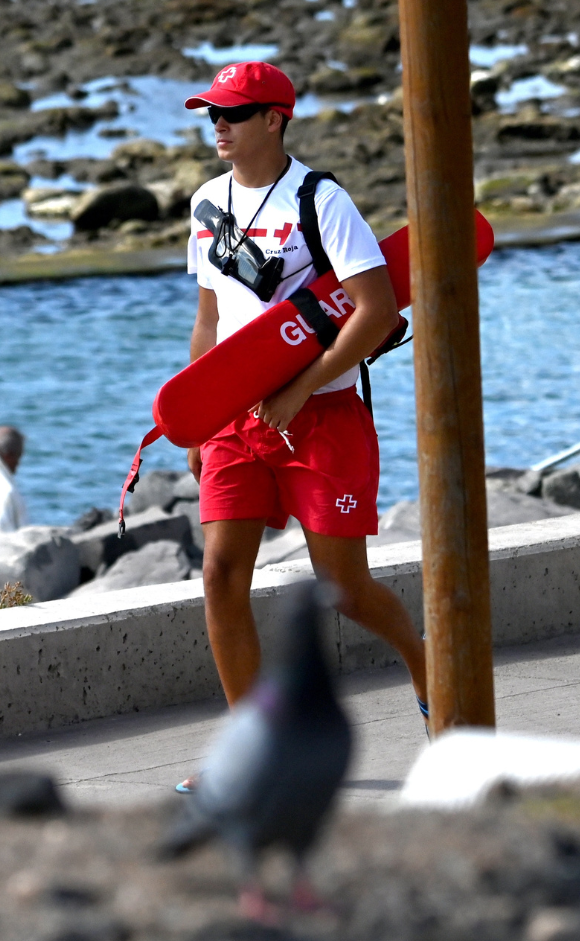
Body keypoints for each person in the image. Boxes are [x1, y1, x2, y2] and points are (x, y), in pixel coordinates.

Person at [178, 61, 429, 792]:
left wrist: (303, 386)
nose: (218, 126)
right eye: (211, 115)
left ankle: (426, 664)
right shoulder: (205, 203)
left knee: (344, 588)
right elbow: (209, 318)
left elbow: (377, 311)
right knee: (222, 575)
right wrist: (197, 418)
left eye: (233, 113)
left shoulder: (320, 200)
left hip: (321, 415)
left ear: (274, 119)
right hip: (235, 418)